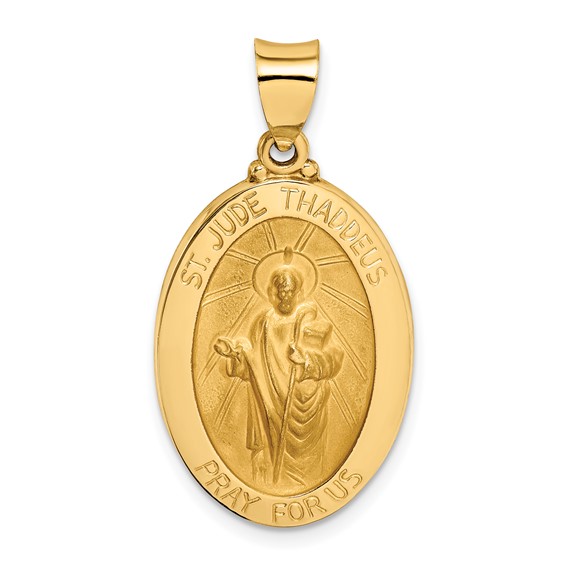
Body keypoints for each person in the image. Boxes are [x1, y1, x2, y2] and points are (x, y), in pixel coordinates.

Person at [214, 258, 343, 489]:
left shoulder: (310, 321)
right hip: (272, 409)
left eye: (290, 291)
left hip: (307, 408)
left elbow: (334, 358)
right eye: (281, 291)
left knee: (308, 475)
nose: (285, 296)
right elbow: (253, 367)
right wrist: (235, 354)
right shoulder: (263, 323)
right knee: (276, 473)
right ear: (272, 292)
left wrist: (306, 361)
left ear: (298, 292)